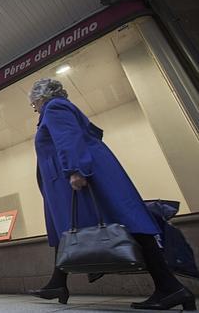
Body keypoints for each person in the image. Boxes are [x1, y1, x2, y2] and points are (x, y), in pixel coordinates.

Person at [26, 78, 195, 311]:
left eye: (33, 102)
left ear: (40, 97)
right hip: (75, 180)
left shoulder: (54, 107)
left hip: (85, 178)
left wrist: (76, 169)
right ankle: (58, 283)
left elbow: (68, 137)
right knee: (77, 229)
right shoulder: (54, 110)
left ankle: (171, 288)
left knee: (128, 225)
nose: (33, 107)